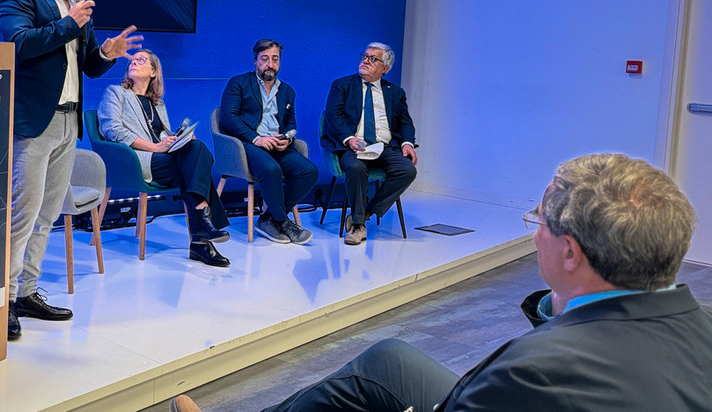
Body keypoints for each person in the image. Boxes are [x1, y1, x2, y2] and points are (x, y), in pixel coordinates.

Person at [171, 153, 712, 412]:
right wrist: (564, 303)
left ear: (571, 252)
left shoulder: (535, 374)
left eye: (540, 221)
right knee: (389, 359)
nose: (534, 233)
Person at [0, 0, 142, 340]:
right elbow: (20, 44)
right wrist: (69, 23)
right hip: (34, 123)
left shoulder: (78, 8)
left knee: (47, 215)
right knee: (23, 213)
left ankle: (27, 292)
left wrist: (108, 52)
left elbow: (90, 67)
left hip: (67, 122)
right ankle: (4, 299)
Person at [97, 49, 232, 267]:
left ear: (153, 71)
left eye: (141, 60)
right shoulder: (115, 93)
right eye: (132, 60)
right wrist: (154, 147)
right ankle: (201, 235)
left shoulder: (157, 103)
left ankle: (201, 233)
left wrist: (179, 139)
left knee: (195, 149)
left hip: (162, 158)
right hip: (135, 160)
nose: (134, 62)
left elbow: (162, 135)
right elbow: (112, 130)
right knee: (195, 163)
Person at [219, 39, 318, 244]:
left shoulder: (287, 91)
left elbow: (291, 124)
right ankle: (283, 222)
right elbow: (228, 118)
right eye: (264, 59)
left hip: (277, 145)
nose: (270, 64)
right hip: (247, 144)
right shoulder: (238, 83)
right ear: (255, 60)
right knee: (271, 169)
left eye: (275, 59)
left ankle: (268, 218)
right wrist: (256, 138)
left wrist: (287, 139)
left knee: (309, 171)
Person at [321, 42, 417, 245]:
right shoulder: (342, 85)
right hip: (353, 146)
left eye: (373, 59)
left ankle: (366, 212)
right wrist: (350, 139)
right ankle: (357, 226)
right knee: (356, 167)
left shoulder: (395, 92)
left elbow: (405, 122)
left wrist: (407, 143)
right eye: (365, 56)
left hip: (384, 147)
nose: (366, 61)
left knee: (407, 170)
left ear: (385, 68)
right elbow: (333, 117)